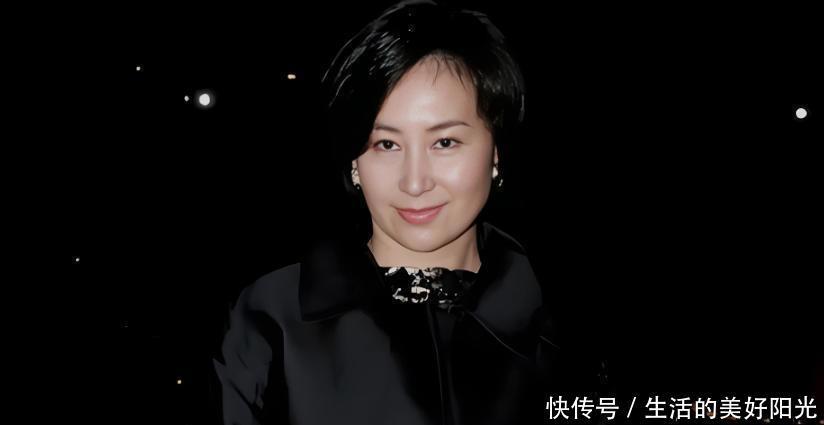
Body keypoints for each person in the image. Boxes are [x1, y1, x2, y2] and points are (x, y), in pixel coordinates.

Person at [213, 1, 578, 423]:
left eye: (445, 143)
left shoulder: (557, 322)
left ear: (495, 152)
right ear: (354, 161)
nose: (415, 182)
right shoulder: (272, 318)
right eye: (386, 144)